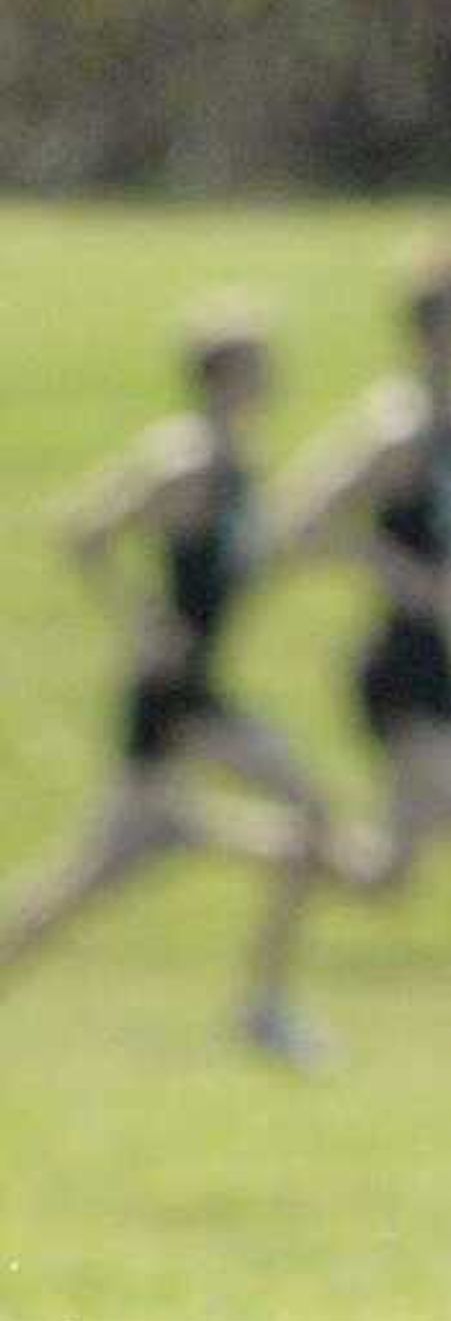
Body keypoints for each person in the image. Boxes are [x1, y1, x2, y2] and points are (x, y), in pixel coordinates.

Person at [0, 304, 343, 1064]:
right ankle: (262, 1006)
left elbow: (254, 558)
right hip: (172, 698)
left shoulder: (238, 466)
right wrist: (142, 620)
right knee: (307, 811)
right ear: (222, 374)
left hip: (197, 690)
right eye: (258, 362)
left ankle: (257, 987)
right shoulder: (185, 459)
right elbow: (84, 532)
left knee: (90, 878)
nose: (272, 377)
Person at [257, 247, 451, 1077]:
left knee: (386, 873)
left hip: (439, 661)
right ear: (434, 325)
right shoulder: (401, 423)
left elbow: (442, 528)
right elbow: (292, 521)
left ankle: (255, 859)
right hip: (399, 665)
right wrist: (397, 572)